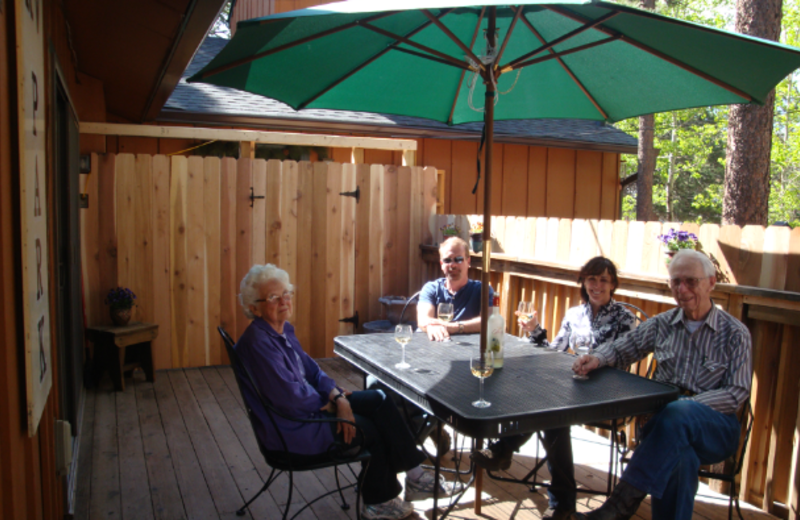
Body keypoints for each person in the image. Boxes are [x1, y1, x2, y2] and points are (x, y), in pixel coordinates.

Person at [235, 264, 460, 520]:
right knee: (371, 430)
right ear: (253, 307)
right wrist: (337, 404)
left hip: (309, 411)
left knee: (379, 399)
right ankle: (379, 503)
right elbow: (292, 400)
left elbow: (313, 372)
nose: (284, 301)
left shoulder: (282, 330)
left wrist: (336, 396)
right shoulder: (259, 344)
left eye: (286, 293)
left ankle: (415, 475)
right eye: (274, 297)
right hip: (293, 431)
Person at [572, 249, 752, 520]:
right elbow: (623, 348)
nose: (681, 289)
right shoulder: (662, 324)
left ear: (711, 282)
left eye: (690, 281)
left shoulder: (734, 333)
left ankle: (618, 507)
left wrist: (685, 406)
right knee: (681, 456)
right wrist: (596, 358)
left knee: (677, 414)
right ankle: (615, 511)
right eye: (675, 281)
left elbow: (736, 393)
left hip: (716, 428)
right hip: (665, 428)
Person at [471, 256, 637, 520]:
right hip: (571, 386)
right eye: (591, 278)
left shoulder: (625, 318)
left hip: (607, 391)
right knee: (548, 405)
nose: (596, 285)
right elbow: (555, 351)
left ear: (613, 284)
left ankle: (505, 449)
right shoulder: (574, 314)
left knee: (554, 412)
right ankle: (562, 504)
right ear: (583, 281)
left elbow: (624, 361)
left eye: (603, 280)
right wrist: (535, 330)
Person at [417, 236, 494, 341]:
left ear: (468, 262)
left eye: (458, 259)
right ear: (441, 264)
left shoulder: (481, 290)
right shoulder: (431, 288)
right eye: (447, 260)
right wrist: (431, 326)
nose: (452, 265)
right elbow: (423, 319)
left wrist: (455, 327)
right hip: (434, 346)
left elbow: (489, 321)